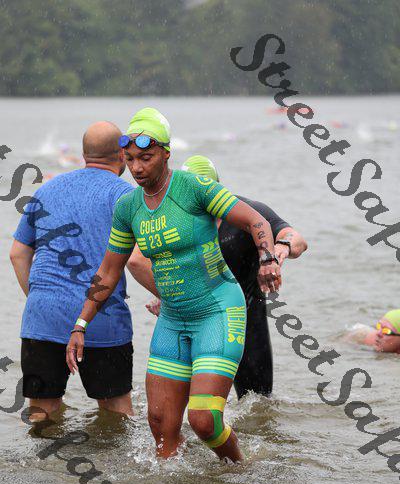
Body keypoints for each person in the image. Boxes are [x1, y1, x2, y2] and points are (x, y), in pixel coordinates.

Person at [66, 107, 282, 463]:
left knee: (204, 420)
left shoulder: (192, 187)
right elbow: (108, 271)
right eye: (130, 160)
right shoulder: (128, 207)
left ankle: (238, 470)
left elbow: (256, 220)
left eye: (146, 158)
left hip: (216, 310)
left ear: (166, 153)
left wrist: (268, 258)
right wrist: (80, 324)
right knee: (160, 425)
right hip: (173, 319)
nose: (137, 168)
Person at [131, 154, 307, 398]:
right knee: (186, 403)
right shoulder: (171, 217)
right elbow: (136, 261)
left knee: (256, 402)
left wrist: (280, 249)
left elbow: (296, 239)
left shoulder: (247, 212)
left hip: (245, 318)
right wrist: (169, 297)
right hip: (196, 317)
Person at [10, 121, 135, 421]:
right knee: (117, 416)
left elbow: (17, 254)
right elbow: (138, 262)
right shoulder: (126, 196)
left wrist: (41, 298)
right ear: (122, 155)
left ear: (84, 154)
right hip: (103, 320)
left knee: (42, 415)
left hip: (43, 319)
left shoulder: (46, 190)